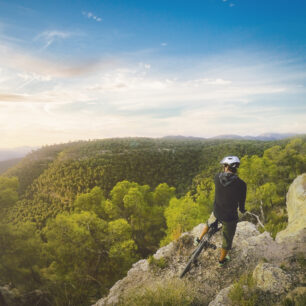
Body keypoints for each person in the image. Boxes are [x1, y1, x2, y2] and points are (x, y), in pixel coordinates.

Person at [194, 156, 247, 266]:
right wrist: (242, 210)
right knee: (227, 239)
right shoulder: (242, 184)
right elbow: (241, 201)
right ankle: (221, 260)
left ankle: (198, 239)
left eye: (224, 165)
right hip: (229, 216)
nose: (223, 167)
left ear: (227, 167)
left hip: (217, 211)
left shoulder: (217, 177)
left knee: (209, 222)